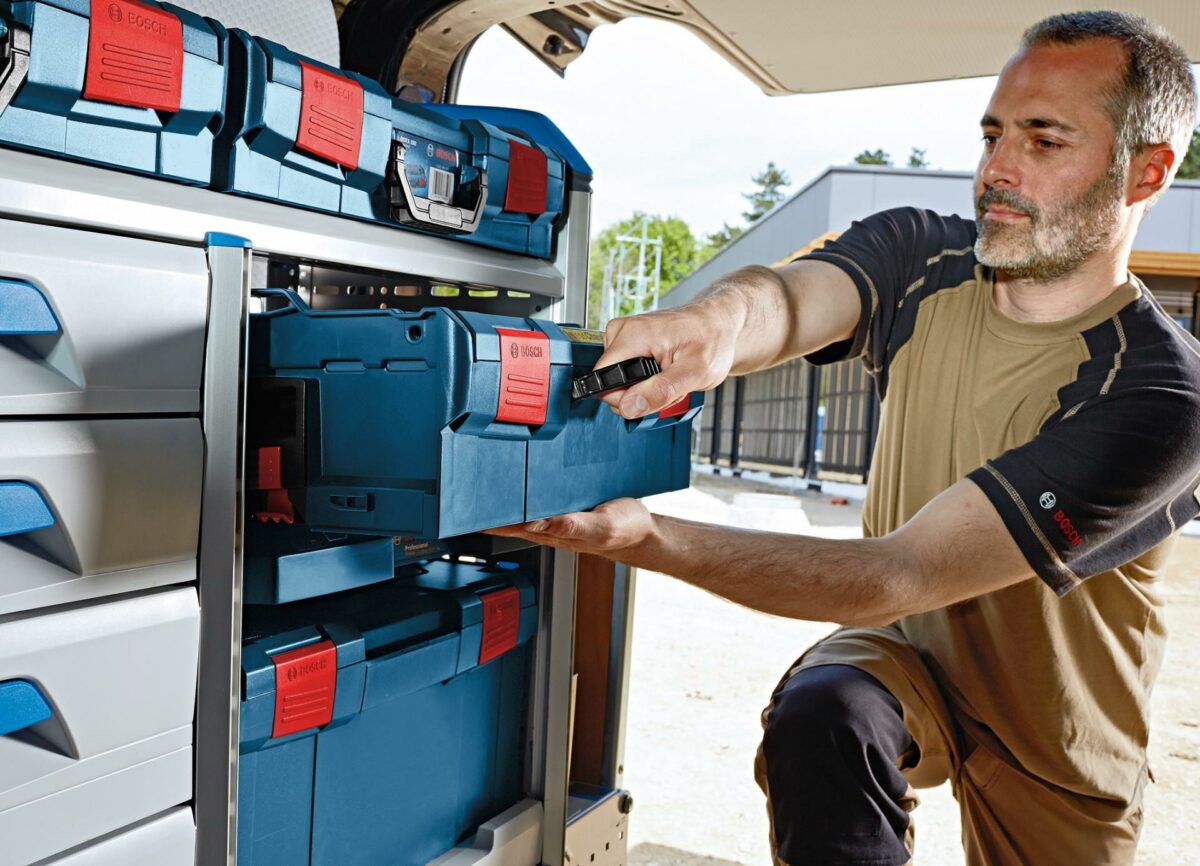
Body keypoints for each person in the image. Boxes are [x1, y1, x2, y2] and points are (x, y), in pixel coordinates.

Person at [491, 10, 1200, 866]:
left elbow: (898, 572)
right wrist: (713, 326)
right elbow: (789, 301)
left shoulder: (1163, 394)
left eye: (1044, 143)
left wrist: (647, 538)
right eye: (992, 134)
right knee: (826, 714)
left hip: (1054, 729)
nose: (997, 171)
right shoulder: (925, 258)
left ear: (1146, 174)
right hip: (910, 657)